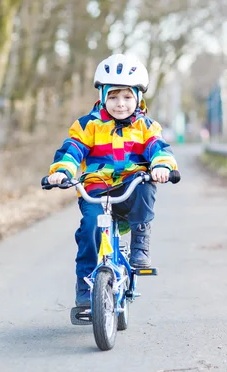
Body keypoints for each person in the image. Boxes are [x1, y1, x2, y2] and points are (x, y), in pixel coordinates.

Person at [46, 54, 178, 307]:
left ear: (138, 98)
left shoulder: (146, 127)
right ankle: (85, 285)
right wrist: (62, 171)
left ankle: (140, 241)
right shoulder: (88, 126)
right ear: (102, 96)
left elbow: (159, 149)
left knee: (146, 184)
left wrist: (162, 166)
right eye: (113, 97)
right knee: (89, 231)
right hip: (96, 190)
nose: (120, 104)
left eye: (127, 97)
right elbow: (72, 149)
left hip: (131, 190)